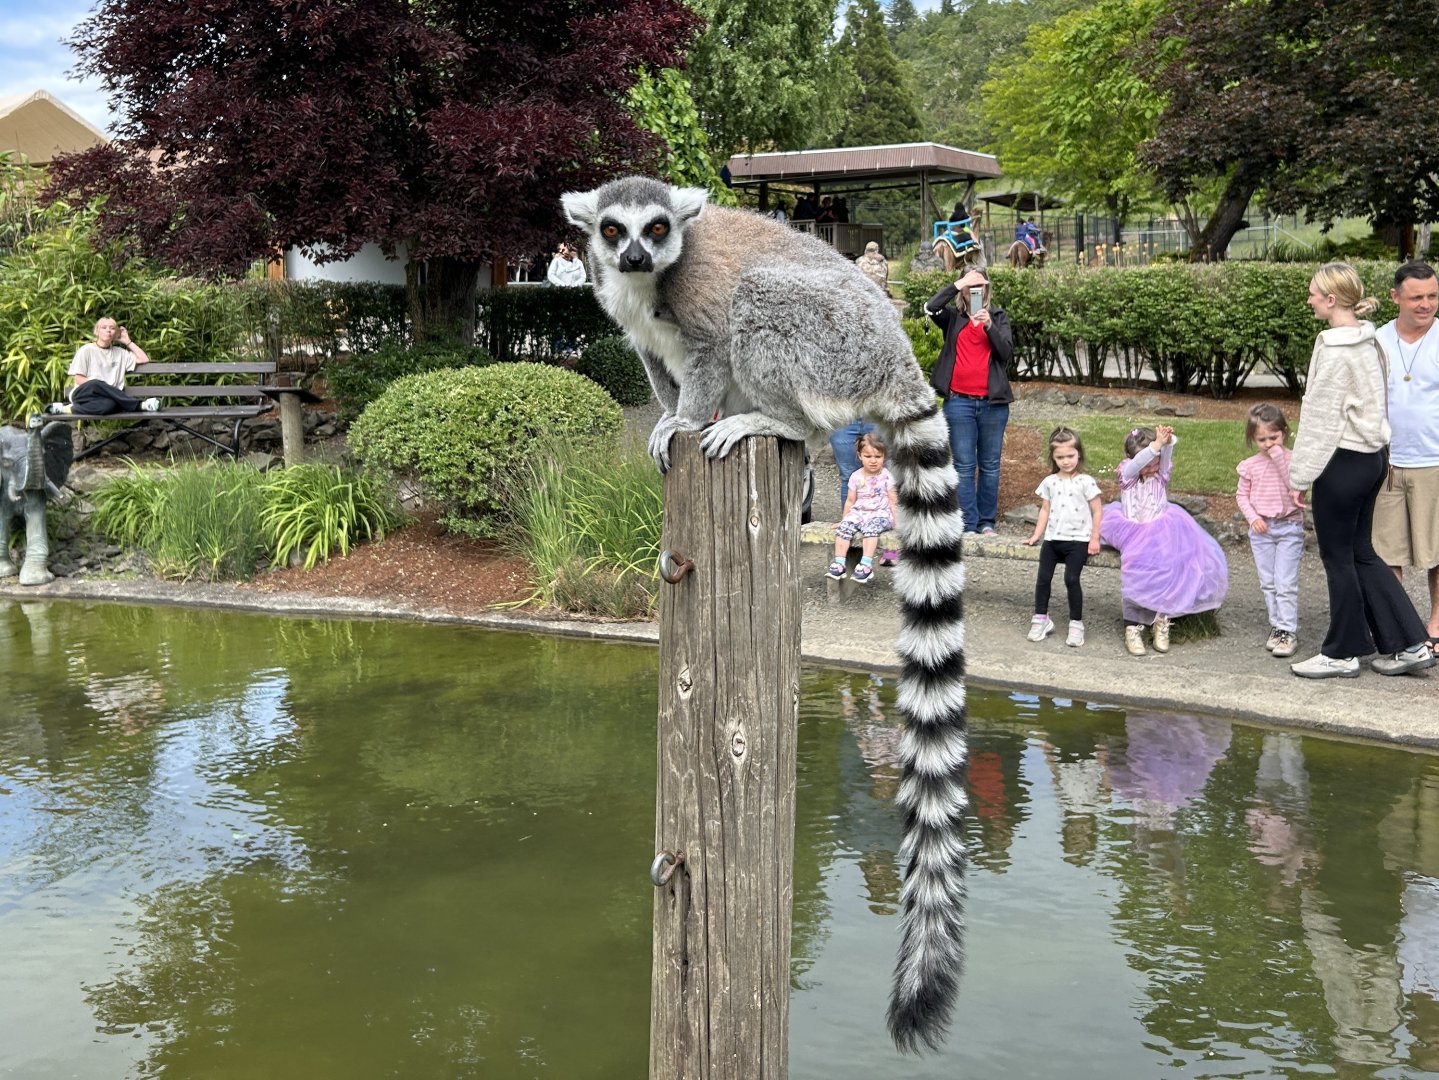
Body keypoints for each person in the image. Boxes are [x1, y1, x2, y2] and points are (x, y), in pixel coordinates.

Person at [1287, 262, 1435, 678]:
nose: (1310, 298)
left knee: (1338, 558)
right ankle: (1408, 644)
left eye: (1314, 292)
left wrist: (1299, 477)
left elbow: (1320, 420)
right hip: (1373, 458)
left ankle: (1342, 653)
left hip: (1343, 462)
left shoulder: (1336, 349)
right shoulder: (1371, 342)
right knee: (1363, 553)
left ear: (1332, 300)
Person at [1099, 425, 1229, 656]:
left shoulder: (1160, 473)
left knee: (1168, 568)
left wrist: (1166, 442)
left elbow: (1165, 457)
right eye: (1148, 462)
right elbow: (1139, 463)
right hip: (1134, 532)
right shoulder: (1128, 474)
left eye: (1154, 462)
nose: (1151, 468)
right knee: (1136, 572)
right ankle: (1133, 625)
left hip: (1163, 530)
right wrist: (1154, 446)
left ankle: (1161, 619)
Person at [1373, 260, 1439, 648]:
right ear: (1395, 297)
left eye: (1432, 296)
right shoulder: (1377, 340)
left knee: (1437, 549)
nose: (1426, 304)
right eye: (1416, 297)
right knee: (1387, 548)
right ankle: (1399, 626)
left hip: (1435, 460)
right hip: (1386, 460)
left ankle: (1436, 625)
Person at [925, 268, 1014, 534]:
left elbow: (1005, 353)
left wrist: (988, 327)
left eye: (979, 286)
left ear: (987, 289)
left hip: (993, 404)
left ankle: (987, 522)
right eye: (969, 287)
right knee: (964, 466)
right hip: (959, 403)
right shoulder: (952, 317)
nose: (974, 291)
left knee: (990, 465)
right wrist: (958, 283)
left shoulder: (997, 316)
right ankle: (968, 523)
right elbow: (931, 306)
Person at [1022, 426, 1102, 647]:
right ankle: (1041, 619)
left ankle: (1076, 624)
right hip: (1053, 539)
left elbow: (1097, 510)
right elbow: (1045, 510)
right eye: (1060, 457)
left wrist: (1095, 538)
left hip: (1078, 540)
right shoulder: (1050, 482)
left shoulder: (1086, 481)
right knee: (1043, 579)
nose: (1066, 461)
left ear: (1079, 454)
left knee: (1071, 579)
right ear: (1053, 458)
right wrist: (1036, 535)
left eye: (1070, 456)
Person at [1236, 403, 1304, 659]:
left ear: (1284, 433)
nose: (1268, 444)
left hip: (1289, 527)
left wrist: (1278, 455)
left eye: (1273, 437)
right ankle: (1277, 625)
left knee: (1285, 582)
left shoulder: (1292, 460)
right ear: (1253, 438)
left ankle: (1288, 629)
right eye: (1262, 439)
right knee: (1268, 583)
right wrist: (1253, 517)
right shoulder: (1250, 465)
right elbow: (1242, 496)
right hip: (1262, 530)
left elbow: (1294, 484)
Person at [825, 431, 898, 584]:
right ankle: (839, 563)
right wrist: (844, 519)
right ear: (859, 455)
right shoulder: (856, 476)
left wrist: (897, 523)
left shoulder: (887, 476)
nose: (873, 461)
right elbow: (850, 501)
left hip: (880, 514)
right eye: (868, 456)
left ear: (884, 457)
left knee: (871, 529)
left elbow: (893, 501)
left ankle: (866, 564)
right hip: (860, 512)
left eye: (878, 457)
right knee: (844, 528)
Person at [47, 317, 159, 416]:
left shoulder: (120, 353)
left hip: (106, 398)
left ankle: (67, 409)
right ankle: (141, 405)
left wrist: (128, 342)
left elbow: (144, 359)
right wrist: (100, 385)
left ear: (116, 333)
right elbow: (78, 379)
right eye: (104, 327)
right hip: (84, 394)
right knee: (96, 383)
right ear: (97, 331)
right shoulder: (86, 350)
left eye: (112, 328)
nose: (108, 330)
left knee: (109, 406)